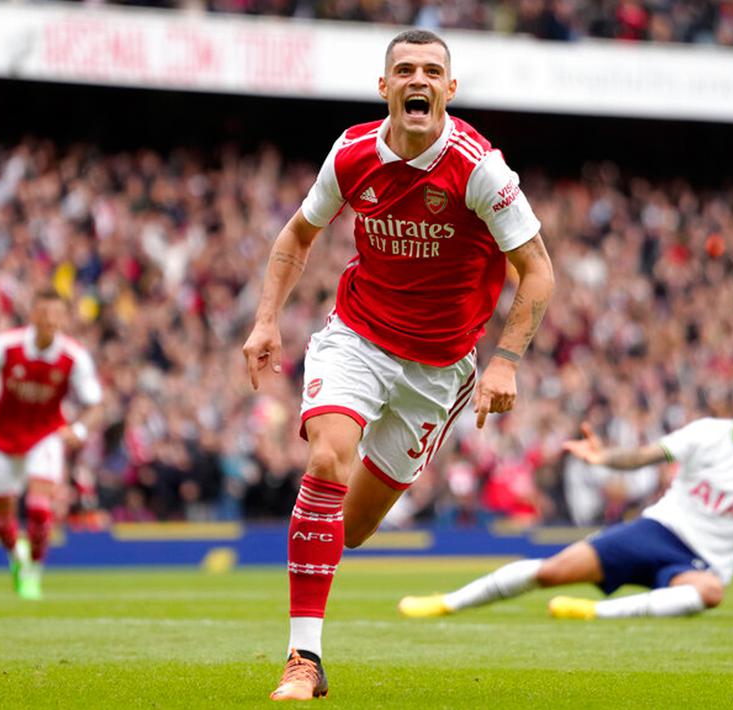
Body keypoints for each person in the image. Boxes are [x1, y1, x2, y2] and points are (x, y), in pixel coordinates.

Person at [241, 29, 555, 701]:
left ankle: (314, 609)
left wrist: (502, 364)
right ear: (384, 87)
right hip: (355, 336)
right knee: (326, 458)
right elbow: (299, 234)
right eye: (404, 69)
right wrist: (267, 318)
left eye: (431, 70)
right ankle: (303, 658)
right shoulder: (352, 153)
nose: (418, 78)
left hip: (437, 370)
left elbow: (537, 271)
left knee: (350, 528)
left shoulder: (478, 169)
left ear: (448, 89)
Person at [398, 374, 733, 623]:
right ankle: (446, 603)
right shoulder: (707, 432)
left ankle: (593, 613)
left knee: (710, 592)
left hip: (704, 563)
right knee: (551, 571)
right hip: (656, 531)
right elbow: (644, 456)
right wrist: (604, 457)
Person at [0, 288, 103, 600]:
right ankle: (16, 556)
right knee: (2, 518)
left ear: (65, 318)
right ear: (33, 316)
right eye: (45, 314)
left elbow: (96, 404)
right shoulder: (8, 345)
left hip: (45, 435)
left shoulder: (73, 356)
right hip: (1, 437)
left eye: (57, 315)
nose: (50, 321)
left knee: (39, 508)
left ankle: (34, 570)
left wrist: (78, 430)